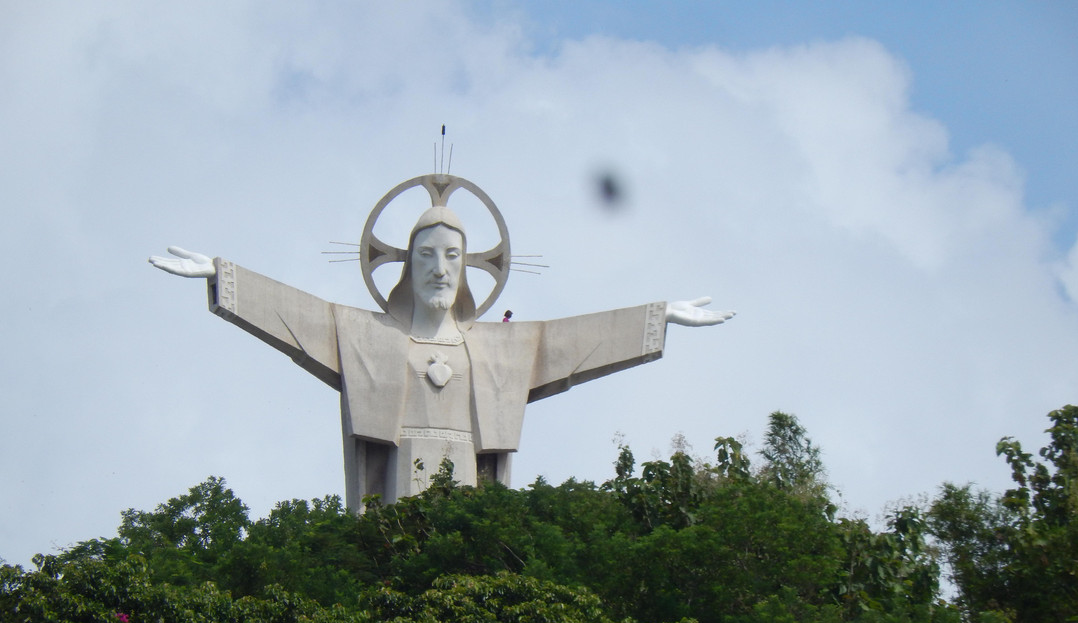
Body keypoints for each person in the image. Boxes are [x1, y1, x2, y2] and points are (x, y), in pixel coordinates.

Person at [151, 200, 734, 507]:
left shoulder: (503, 347)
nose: (439, 269)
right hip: (397, 484)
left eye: (452, 256)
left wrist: (657, 317)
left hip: (468, 489)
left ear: (468, 266)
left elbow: (576, 341)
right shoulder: (366, 334)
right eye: (426, 255)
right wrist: (226, 278)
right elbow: (297, 314)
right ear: (407, 264)